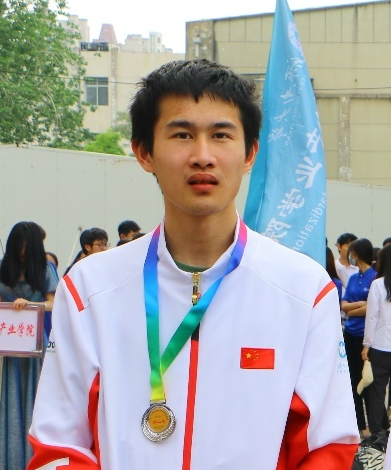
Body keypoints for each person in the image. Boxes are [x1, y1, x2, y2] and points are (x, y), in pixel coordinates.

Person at [27, 59, 358, 470]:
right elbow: (59, 446)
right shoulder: (90, 289)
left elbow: (327, 446)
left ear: (250, 153)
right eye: (182, 134)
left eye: (221, 135)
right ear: (144, 152)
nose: (202, 156)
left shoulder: (304, 290)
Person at [0, 221, 59, 470]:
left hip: (33, 345)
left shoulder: (45, 268)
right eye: (19, 247)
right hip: (6, 344)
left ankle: (32, 460)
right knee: (3, 395)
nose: (22, 252)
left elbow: (53, 302)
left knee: (34, 397)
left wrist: (31, 305)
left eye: (26, 247)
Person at [341, 238, 381, 438]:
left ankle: (375, 425)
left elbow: (371, 309)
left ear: (357, 254)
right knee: (353, 380)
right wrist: (359, 306)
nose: (351, 256)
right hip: (350, 334)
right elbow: (343, 305)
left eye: (353, 253)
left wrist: (353, 309)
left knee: (368, 381)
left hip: (366, 337)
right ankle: (360, 424)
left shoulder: (375, 278)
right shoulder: (353, 278)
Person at [361, 244, 391, 438]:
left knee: (378, 390)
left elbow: (371, 317)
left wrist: (366, 344)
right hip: (382, 344)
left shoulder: (378, 285)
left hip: (381, 345)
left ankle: (377, 432)